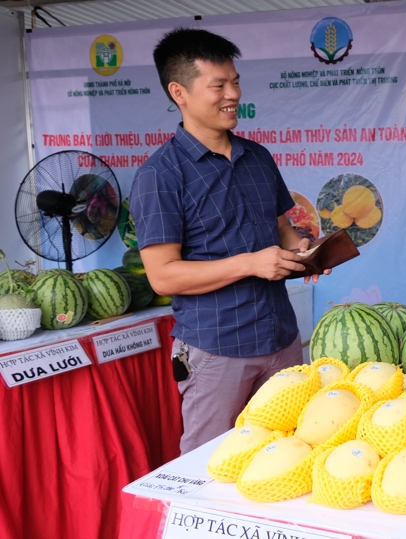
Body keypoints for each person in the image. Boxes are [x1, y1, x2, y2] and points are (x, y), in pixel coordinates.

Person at [130, 28, 326, 454]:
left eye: (235, 81)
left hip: (282, 339)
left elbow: (283, 232)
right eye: (217, 85)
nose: (232, 93)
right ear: (179, 92)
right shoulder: (160, 176)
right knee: (210, 464)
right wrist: (251, 263)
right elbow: (163, 277)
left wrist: (307, 254)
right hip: (216, 351)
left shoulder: (258, 157)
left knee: (291, 454)